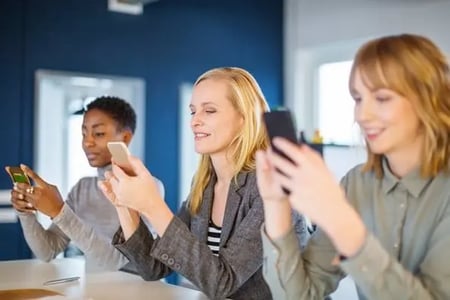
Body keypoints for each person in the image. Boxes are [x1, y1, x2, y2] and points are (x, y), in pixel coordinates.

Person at [257, 33, 450, 299]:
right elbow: (300, 295)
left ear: (428, 99)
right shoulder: (356, 184)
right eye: (358, 98)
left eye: (381, 98)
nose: (362, 115)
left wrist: (340, 220)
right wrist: (275, 203)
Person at [98, 67, 309, 300]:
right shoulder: (205, 185)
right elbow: (153, 267)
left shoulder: (272, 186)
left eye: (209, 111)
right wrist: (124, 205)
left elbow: (223, 283)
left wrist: (152, 205)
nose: (194, 122)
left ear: (244, 118)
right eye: (192, 111)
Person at [7, 96, 164, 271]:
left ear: (125, 138)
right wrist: (25, 213)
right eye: (84, 134)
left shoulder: (149, 188)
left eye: (98, 134)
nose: (87, 142)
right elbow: (47, 250)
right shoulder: (82, 188)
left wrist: (58, 211)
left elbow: (118, 262)